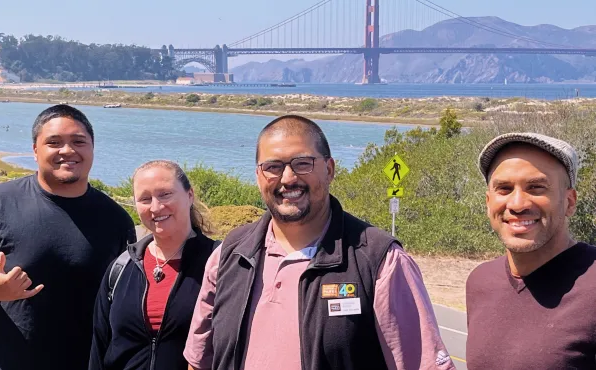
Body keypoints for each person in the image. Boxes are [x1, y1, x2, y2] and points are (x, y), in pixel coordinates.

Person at [184, 115, 454, 370]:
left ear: (329, 169)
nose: (288, 179)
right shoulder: (230, 255)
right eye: (273, 167)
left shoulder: (379, 261)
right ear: (258, 176)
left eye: (303, 163)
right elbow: (199, 361)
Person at [0, 104, 136, 370]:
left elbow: (123, 303)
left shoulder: (116, 219)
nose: (68, 151)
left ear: (92, 148)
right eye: (54, 142)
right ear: (35, 150)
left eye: (79, 142)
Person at [466, 133, 596, 369]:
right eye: (504, 189)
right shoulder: (480, 282)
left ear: (570, 202)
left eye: (536, 188)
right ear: (488, 202)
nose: (517, 204)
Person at [90, 160, 220, 370]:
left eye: (165, 194)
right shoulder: (121, 267)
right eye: (145, 198)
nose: (156, 207)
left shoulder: (218, 264)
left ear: (189, 195)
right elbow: (99, 345)